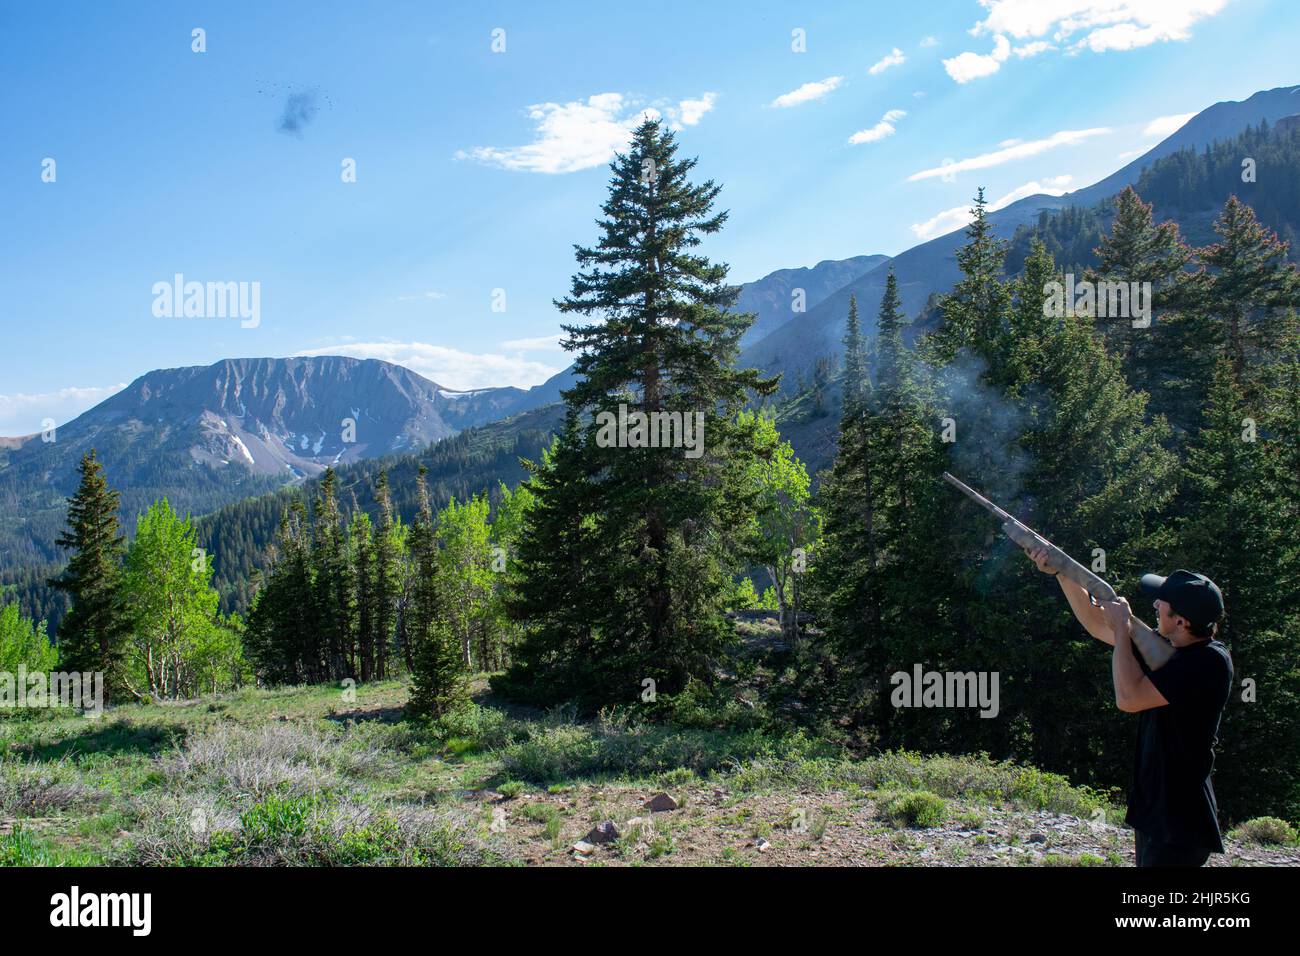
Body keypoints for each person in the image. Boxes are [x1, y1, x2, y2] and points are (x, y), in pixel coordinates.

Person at [1026, 547, 1233, 867]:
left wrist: (1123, 629)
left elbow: (1128, 699)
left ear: (1180, 621)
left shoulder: (1207, 663)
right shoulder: (1173, 646)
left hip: (1179, 822)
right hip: (1159, 813)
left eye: (1161, 603)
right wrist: (1061, 572)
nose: (1154, 604)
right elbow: (1098, 625)